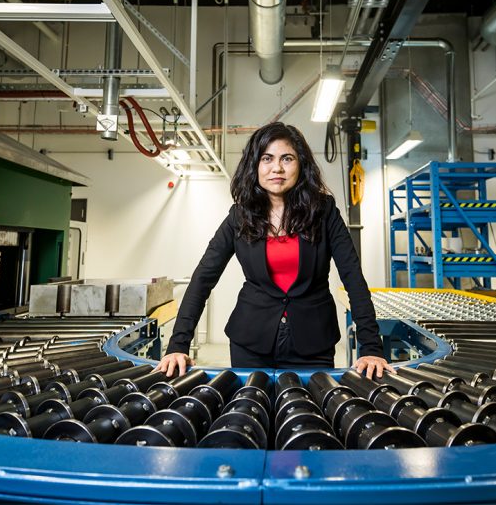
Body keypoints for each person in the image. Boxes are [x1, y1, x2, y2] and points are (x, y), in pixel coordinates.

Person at [156, 122, 393, 379]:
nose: (277, 168)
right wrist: (178, 345)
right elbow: (203, 278)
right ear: (254, 165)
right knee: (252, 414)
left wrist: (371, 347)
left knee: (309, 416)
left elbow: (353, 277)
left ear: (301, 165)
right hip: (251, 341)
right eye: (267, 158)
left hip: (313, 342)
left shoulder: (324, 212)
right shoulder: (240, 216)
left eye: (287, 158)